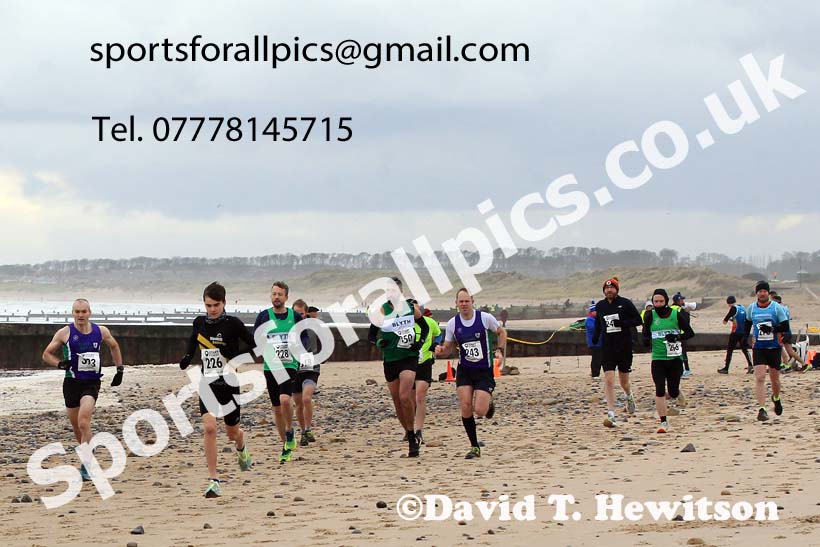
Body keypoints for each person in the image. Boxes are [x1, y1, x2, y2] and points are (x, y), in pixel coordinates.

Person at [179, 282, 255, 497]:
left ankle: (241, 445)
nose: (212, 309)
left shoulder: (234, 324)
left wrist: (235, 358)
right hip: (207, 383)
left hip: (229, 384)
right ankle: (214, 480)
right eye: (208, 305)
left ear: (224, 303)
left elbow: (254, 345)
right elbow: (193, 340)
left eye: (216, 305)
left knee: (232, 433)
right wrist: (186, 357)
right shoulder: (200, 322)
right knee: (210, 428)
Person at [42, 298, 125, 481]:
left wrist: (119, 369)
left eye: (84, 311)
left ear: (89, 312)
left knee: (83, 421)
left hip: (91, 383)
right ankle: (89, 449)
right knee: (77, 428)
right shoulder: (64, 333)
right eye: (77, 312)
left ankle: (86, 464)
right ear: (73, 313)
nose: (80, 315)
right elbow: (46, 354)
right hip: (71, 383)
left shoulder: (101, 331)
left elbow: (114, 346)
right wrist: (60, 364)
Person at [435, 288, 507, 459]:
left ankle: (488, 403)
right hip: (465, 369)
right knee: (466, 405)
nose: (464, 304)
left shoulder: (484, 318)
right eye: (461, 301)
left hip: (484, 369)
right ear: (456, 304)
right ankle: (474, 446)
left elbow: (502, 332)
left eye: (467, 301)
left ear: (472, 302)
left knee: (480, 411)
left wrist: (500, 350)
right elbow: (448, 348)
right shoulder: (453, 323)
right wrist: (440, 350)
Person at [367, 277, 429, 457]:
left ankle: (412, 437)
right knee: (397, 402)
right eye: (388, 291)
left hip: (408, 358)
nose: (390, 293)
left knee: (404, 396)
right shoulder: (381, 311)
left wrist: (419, 343)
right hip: (390, 360)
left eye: (394, 290)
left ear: (400, 292)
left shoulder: (410, 308)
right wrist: (379, 342)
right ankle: (410, 434)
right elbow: (371, 335)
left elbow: (424, 327)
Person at [253, 281, 305, 463]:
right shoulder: (264, 317)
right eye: (274, 294)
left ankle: (290, 431)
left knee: (285, 400)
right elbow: (256, 338)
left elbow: (304, 335)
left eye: (280, 294)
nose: (276, 297)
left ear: (286, 297)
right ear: (271, 296)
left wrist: (298, 348)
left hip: (289, 364)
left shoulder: (294, 317)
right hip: (270, 366)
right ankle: (285, 446)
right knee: (276, 409)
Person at [642, 289, 695, 433]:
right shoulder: (650, 316)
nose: (658, 304)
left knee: (672, 391)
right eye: (656, 301)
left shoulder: (675, 314)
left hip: (675, 359)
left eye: (661, 301)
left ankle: (677, 392)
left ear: (666, 301)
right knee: (659, 390)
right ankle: (663, 422)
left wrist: (677, 337)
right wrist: (646, 341)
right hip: (658, 359)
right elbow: (645, 334)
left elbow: (690, 333)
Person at [592, 277, 642, 428]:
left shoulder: (625, 303)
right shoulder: (600, 306)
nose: (609, 290)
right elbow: (599, 323)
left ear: (616, 289)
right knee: (608, 380)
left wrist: (623, 323)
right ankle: (611, 413)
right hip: (607, 347)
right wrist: (595, 336)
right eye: (606, 288)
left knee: (623, 382)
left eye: (612, 288)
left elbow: (638, 320)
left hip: (624, 347)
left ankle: (629, 396)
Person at [743, 281, 791, 421]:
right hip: (759, 348)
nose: (762, 293)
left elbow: (785, 326)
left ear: (768, 293)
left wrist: (772, 330)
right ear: (756, 293)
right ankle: (762, 409)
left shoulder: (776, 308)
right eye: (760, 291)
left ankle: (776, 398)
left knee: (775, 380)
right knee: (760, 377)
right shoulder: (751, 308)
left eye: (764, 291)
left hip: (774, 347)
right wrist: (746, 339)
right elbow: (746, 325)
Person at [291, 299, 321, 447]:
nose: (298, 316)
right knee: (298, 403)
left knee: (306, 398)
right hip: (294, 370)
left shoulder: (314, 327)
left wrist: (318, 358)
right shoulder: (288, 327)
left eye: (301, 314)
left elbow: (323, 345)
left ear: (306, 313)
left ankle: (308, 428)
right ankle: (303, 432)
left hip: (311, 369)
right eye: (295, 313)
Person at [413, 307, 442, 444]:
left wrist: (435, 344)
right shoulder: (403, 323)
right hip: (408, 364)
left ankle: (419, 430)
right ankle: (409, 429)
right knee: (408, 399)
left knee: (420, 396)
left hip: (425, 362)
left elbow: (439, 334)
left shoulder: (429, 322)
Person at [718, 296, 753, 375]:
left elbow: (725, 320)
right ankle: (750, 365)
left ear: (728, 303)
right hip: (743, 332)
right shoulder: (743, 307)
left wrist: (731, 320)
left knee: (730, 350)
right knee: (745, 350)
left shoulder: (733, 308)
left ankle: (726, 368)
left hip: (735, 332)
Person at [771, 294, 806, 371]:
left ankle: (803, 364)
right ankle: (786, 364)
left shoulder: (779, 308)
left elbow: (780, 321)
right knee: (780, 348)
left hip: (783, 332)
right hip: (786, 331)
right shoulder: (785, 308)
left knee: (788, 351)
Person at [671, 293, 693, 377]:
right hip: (681, 334)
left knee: (673, 353)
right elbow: (686, 322)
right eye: (682, 300)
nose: (683, 301)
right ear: (678, 300)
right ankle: (686, 369)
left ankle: (675, 370)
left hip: (672, 333)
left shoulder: (669, 308)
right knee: (682, 353)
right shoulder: (680, 310)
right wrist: (687, 313)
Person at [585, 303, 603, 378]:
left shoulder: (597, 319)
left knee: (600, 358)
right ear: (592, 312)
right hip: (594, 343)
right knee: (596, 358)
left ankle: (596, 373)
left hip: (600, 342)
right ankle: (595, 373)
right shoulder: (589, 319)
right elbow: (594, 328)